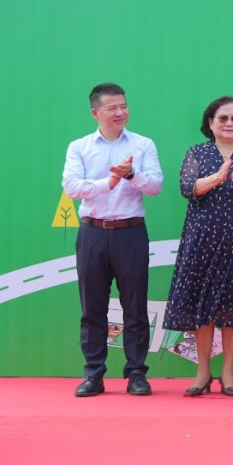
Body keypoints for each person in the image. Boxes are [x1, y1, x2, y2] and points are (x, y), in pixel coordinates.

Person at [162, 97, 233, 397]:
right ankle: (203, 372)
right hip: (201, 239)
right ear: (210, 122)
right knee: (203, 303)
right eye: (223, 118)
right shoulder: (197, 153)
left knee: (232, 303)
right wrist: (217, 177)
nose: (229, 123)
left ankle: (228, 373)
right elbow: (188, 188)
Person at [62, 83, 164, 397]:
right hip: (92, 233)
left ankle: (136, 373)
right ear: (96, 113)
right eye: (112, 108)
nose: (120, 112)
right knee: (92, 308)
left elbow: (155, 186)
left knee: (135, 306)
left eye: (123, 106)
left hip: (131, 232)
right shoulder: (79, 147)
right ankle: (94, 374)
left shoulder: (143, 144)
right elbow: (71, 187)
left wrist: (131, 174)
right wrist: (108, 182)